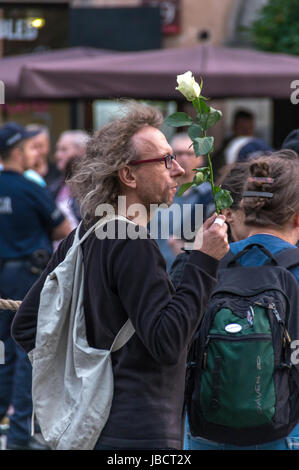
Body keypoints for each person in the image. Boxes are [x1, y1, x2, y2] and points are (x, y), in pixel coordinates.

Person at [11, 102, 229, 451]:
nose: (178, 171)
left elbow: (26, 325)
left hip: (90, 428)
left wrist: (79, 376)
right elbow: (167, 342)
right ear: (128, 175)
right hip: (139, 434)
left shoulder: (85, 233)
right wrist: (203, 261)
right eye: (165, 160)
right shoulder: (132, 242)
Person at [184, 153, 299, 450]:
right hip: (286, 433)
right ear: (297, 216)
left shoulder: (204, 261)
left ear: (243, 208)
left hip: (206, 434)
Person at [0, 122, 71, 451]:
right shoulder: (30, 187)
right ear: (17, 152)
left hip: (3, 279)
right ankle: (18, 436)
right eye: (30, 148)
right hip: (26, 278)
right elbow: (64, 228)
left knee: (3, 356)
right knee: (27, 354)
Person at [151, 132, 214, 271]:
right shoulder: (156, 193)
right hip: (156, 273)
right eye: (179, 153)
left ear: (200, 159)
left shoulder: (211, 197)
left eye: (190, 154)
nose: (184, 158)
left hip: (190, 274)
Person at [50, 130, 90, 238]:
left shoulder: (93, 188)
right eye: (57, 149)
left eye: (64, 150)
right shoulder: (55, 186)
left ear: (82, 151)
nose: (57, 155)